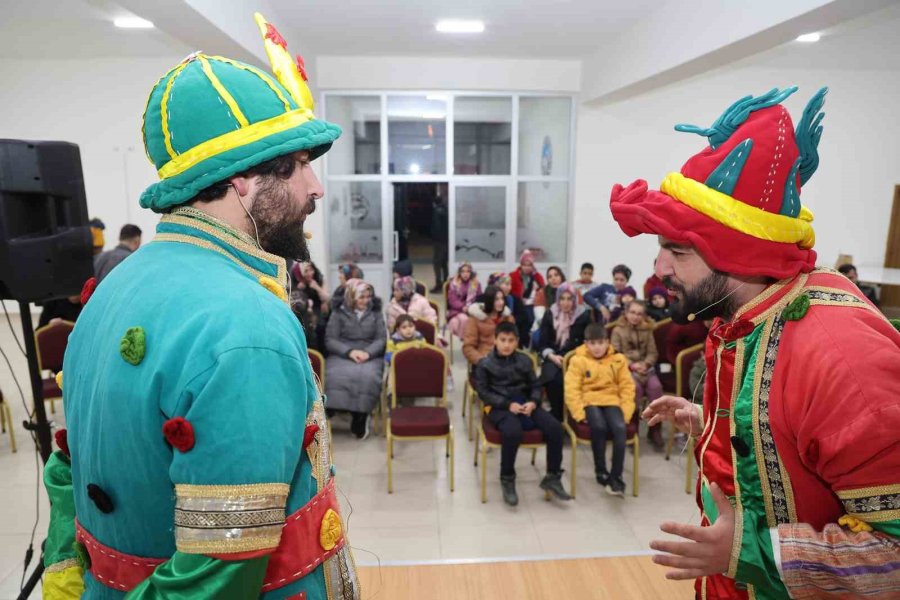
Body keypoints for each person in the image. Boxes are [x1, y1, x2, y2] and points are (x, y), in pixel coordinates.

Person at [41, 15, 359, 599]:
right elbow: (220, 567)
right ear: (242, 182)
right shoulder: (247, 325)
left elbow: (63, 471)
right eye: (296, 168)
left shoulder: (113, 284)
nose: (316, 188)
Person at [612, 86, 900, 598]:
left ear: (736, 254)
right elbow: (800, 443)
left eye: (675, 250)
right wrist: (716, 420)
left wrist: (747, 554)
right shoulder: (747, 314)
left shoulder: (841, 360)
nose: (658, 269)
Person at [473, 321, 572, 506]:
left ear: (517, 341)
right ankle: (507, 477)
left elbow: (535, 385)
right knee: (512, 431)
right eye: (503, 340)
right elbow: (483, 392)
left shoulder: (525, 360)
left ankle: (552, 476)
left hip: (525, 403)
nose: (507, 344)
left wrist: (533, 402)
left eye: (511, 340)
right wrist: (506, 404)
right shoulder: (485, 364)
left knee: (555, 428)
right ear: (495, 340)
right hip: (498, 406)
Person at [564, 323, 635, 496]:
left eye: (601, 343)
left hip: (612, 400)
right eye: (593, 343)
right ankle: (600, 470)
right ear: (586, 343)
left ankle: (616, 476)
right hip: (590, 401)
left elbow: (627, 387)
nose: (597, 347)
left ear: (608, 342)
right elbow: (572, 389)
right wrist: (579, 413)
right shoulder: (577, 360)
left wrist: (625, 412)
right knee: (599, 427)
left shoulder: (618, 359)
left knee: (619, 429)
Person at [325, 278, 386, 439]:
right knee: (334, 375)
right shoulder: (338, 313)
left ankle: (360, 415)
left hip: (369, 354)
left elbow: (381, 339)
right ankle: (338, 409)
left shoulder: (376, 313)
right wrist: (349, 352)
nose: (366, 301)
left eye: (368, 297)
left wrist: (368, 353)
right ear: (351, 297)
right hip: (343, 353)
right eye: (362, 297)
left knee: (368, 376)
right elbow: (331, 339)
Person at [611, 300, 664, 451]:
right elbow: (615, 354)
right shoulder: (618, 330)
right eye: (632, 313)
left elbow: (653, 352)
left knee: (656, 388)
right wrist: (632, 365)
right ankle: (632, 428)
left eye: (639, 314)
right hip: (626, 369)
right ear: (626, 313)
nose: (635, 316)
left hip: (645, 368)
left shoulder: (647, 330)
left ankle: (654, 430)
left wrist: (646, 364)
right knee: (634, 389)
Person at [534, 282, 591, 421]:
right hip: (553, 356)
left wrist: (568, 357)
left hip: (575, 357)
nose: (565, 303)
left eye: (569, 299)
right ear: (558, 299)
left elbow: (588, 342)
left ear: (575, 300)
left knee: (570, 379)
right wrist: (552, 356)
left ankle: (571, 415)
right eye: (562, 298)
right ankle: (557, 415)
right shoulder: (550, 313)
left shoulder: (583, 315)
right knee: (553, 379)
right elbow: (542, 342)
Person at [462, 285, 514, 367]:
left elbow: (514, 342)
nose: (501, 302)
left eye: (502, 299)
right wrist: (482, 361)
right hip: (484, 361)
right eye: (497, 299)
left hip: (506, 361)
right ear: (489, 301)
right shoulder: (475, 319)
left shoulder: (508, 318)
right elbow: (468, 347)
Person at [289, 261, 330, 351]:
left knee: (320, 324)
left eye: (311, 270)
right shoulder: (295, 281)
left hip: (317, 307)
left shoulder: (319, 278)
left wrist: (317, 288)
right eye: (306, 271)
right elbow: (291, 300)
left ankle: (321, 352)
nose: (309, 273)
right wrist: (298, 290)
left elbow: (327, 298)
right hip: (302, 310)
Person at [509, 249, 545, 340]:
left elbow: (543, 290)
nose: (527, 267)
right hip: (518, 304)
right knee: (524, 316)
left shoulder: (537, 276)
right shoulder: (513, 275)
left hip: (534, 304)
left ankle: (531, 339)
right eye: (524, 265)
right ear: (521, 265)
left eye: (529, 265)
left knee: (537, 316)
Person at [488, 272, 530, 348]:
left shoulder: (514, 300)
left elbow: (524, 318)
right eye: (506, 284)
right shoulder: (484, 300)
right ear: (497, 285)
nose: (509, 287)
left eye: (510, 284)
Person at [446, 262, 481, 340]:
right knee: (464, 319)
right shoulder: (454, 284)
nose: (465, 274)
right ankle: (466, 340)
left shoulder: (476, 284)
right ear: (459, 272)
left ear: (471, 273)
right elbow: (452, 300)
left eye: (468, 271)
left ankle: (466, 340)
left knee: (455, 323)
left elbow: (479, 299)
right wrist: (463, 307)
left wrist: (471, 308)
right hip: (456, 310)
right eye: (463, 271)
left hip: (472, 311)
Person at [431, 196, 449, 293]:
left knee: (436, 263)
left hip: (439, 241)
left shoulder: (437, 212)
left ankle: (438, 284)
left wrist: (434, 237)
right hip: (447, 241)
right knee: (444, 263)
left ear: (434, 203)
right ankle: (446, 283)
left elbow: (436, 227)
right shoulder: (447, 210)